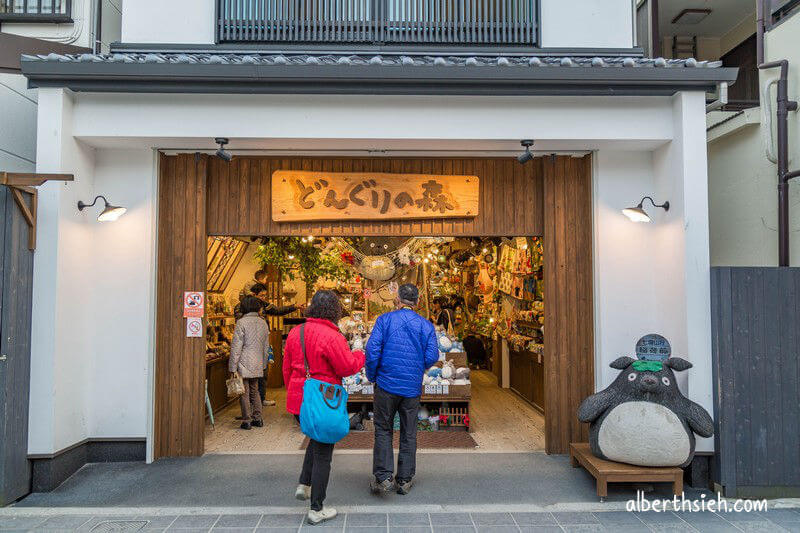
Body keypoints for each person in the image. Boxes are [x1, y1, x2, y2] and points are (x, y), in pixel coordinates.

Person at [282, 290, 364, 525]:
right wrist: (359, 355)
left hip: (300, 400)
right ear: (335, 310)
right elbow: (346, 367)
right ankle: (316, 508)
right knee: (324, 453)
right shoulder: (332, 336)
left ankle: (304, 484)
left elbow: (286, 368)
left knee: (314, 439)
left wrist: (295, 393)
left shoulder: (296, 332)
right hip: (323, 401)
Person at [365, 284, 439, 496]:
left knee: (383, 429)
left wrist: (372, 375)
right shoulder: (425, 325)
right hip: (411, 388)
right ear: (417, 302)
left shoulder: (385, 320)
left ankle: (383, 477)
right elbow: (432, 356)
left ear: (397, 299)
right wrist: (417, 367)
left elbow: (372, 351)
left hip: (386, 385)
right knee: (409, 432)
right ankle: (404, 480)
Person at [237, 282, 301, 407]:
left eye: (265, 295)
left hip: (262, 344)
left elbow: (277, 310)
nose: (264, 298)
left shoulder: (264, 305)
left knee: (263, 373)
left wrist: (295, 307)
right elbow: (239, 323)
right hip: (248, 346)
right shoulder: (242, 306)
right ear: (253, 294)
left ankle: (260, 400)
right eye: (262, 295)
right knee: (249, 378)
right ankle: (252, 405)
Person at [228, 296, 270, 430]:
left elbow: (236, 347)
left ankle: (247, 421)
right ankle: (258, 419)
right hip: (258, 360)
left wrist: (232, 366)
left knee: (244, 392)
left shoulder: (241, 322)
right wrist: (264, 364)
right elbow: (266, 346)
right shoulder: (263, 322)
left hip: (244, 361)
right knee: (255, 391)